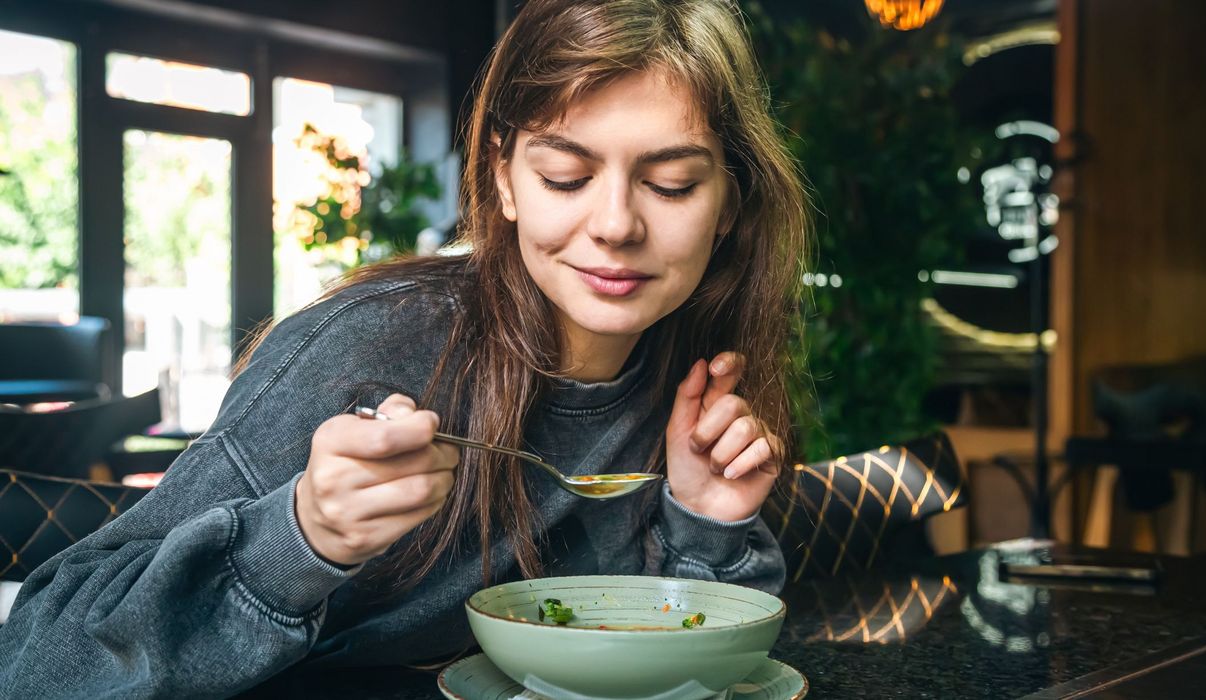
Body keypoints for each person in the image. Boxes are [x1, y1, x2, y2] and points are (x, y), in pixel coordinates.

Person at [0, 0, 810, 695]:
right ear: (503, 179)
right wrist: (303, 535)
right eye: (565, 174)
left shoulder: (690, 377)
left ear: (730, 204)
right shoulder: (368, 349)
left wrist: (704, 524)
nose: (615, 224)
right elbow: (38, 660)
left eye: (671, 184)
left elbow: (690, 671)